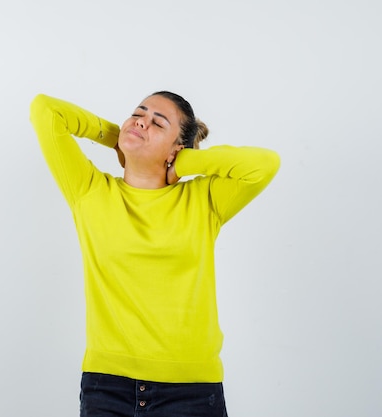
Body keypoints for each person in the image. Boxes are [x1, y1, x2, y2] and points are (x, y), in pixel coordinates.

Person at [29, 91, 280, 417]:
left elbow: (264, 165)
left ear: (177, 148)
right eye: (138, 113)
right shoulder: (89, 191)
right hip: (107, 387)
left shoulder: (204, 200)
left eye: (157, 123)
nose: (140, 122)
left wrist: (188, 162)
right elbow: (45, 110)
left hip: (190, 391)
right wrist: (118, 138)